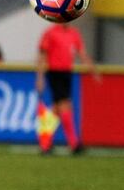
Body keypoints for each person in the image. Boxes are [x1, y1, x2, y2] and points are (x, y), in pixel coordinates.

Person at [36, 22, 97, 154]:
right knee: (65, 106)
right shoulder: (50, 33)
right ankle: (74, 144)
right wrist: (40, 77)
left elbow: (82, 53)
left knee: (57, 109)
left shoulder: (74, 33)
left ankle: (45, 144)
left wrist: (92, 68)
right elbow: (43, 55)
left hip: (66, 74)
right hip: (54, 73)